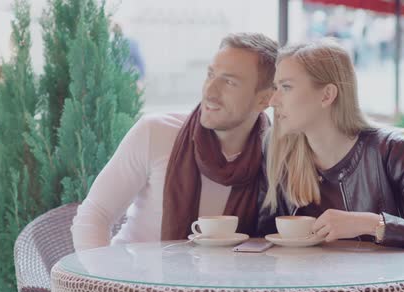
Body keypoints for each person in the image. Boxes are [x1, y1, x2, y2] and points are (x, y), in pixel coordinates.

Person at [258, 39, 404, 264]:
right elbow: (261, 239)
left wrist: (372, 224)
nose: (273, 100)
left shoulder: (389, 149)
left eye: (286, 87)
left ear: (327, 95)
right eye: (276, 87)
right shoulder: (280, 154)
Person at [72, 33, 278, 251]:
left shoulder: (277, 156)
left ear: (264, 99)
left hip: (223, 283)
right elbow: (94, 215)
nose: (210, 91)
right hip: (132, 280)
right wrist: (104, 281)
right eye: (210, 75)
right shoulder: (156, 132)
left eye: (229, 82)